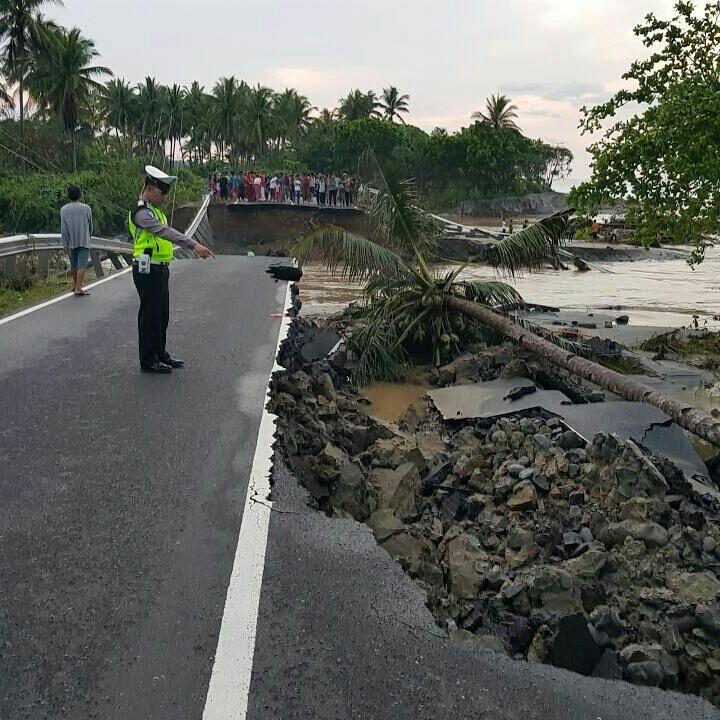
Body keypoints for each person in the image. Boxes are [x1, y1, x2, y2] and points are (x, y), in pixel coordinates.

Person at [129, 165, 214, 374]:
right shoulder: (141, 213)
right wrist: (194, 245)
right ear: (149, 189)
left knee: (162, 314)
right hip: (146, 269)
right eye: (161, 193)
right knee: (150, 315)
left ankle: (160, 353)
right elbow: (166, 232)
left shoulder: (155, 211)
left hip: (160, 269)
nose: (164, 198)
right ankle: (148, 360)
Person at [60, 185, 93, 296]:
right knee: (82, 265)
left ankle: (76, 286)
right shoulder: (86, 208)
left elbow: (63, 229)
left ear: (68, 195)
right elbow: (90, 225)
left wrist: (65, 242)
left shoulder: (64, 210)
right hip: (84, 240)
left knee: (74, 265)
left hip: (71, 241)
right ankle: (79, 288)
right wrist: (89, 235)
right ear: (80, 195)